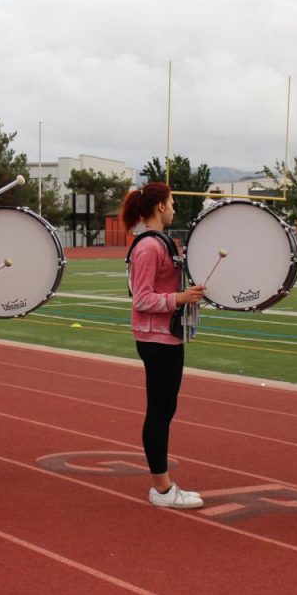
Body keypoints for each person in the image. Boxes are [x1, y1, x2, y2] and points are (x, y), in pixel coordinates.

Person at [121, 182, 206, 509]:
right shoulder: (148, 247)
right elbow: (141, 298)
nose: (173, 209)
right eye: (170, 203)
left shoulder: (160, 242)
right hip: (155, 337)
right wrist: (180, 298)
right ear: (159, 207)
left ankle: (163, 485)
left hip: (166, 335)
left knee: (165, 409)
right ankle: (162, 488)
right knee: (159, 411)